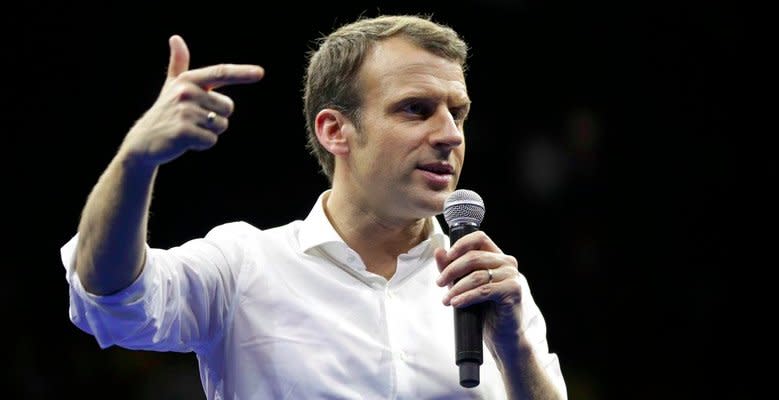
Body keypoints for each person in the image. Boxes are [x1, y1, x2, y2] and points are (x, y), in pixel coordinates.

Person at [60, 14, 568, 399]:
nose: (449, 135)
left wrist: (515, 349)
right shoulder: (243, 268)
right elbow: (110, 297)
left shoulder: (494, 288)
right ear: (335, 130)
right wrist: (135, 160)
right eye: (416, 109)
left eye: (458, 113)